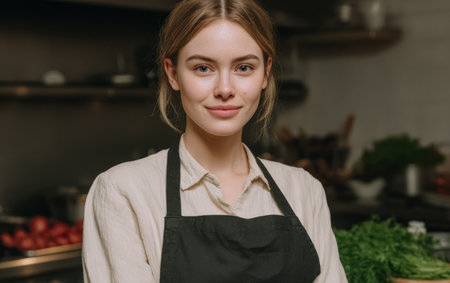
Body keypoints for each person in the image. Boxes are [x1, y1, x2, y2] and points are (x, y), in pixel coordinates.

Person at [82, 0, 348, 282]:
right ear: (173, 74)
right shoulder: (124, 192)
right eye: (203, 68)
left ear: (265, 74)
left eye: (243, 67)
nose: (224, 89)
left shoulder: (304, 190)